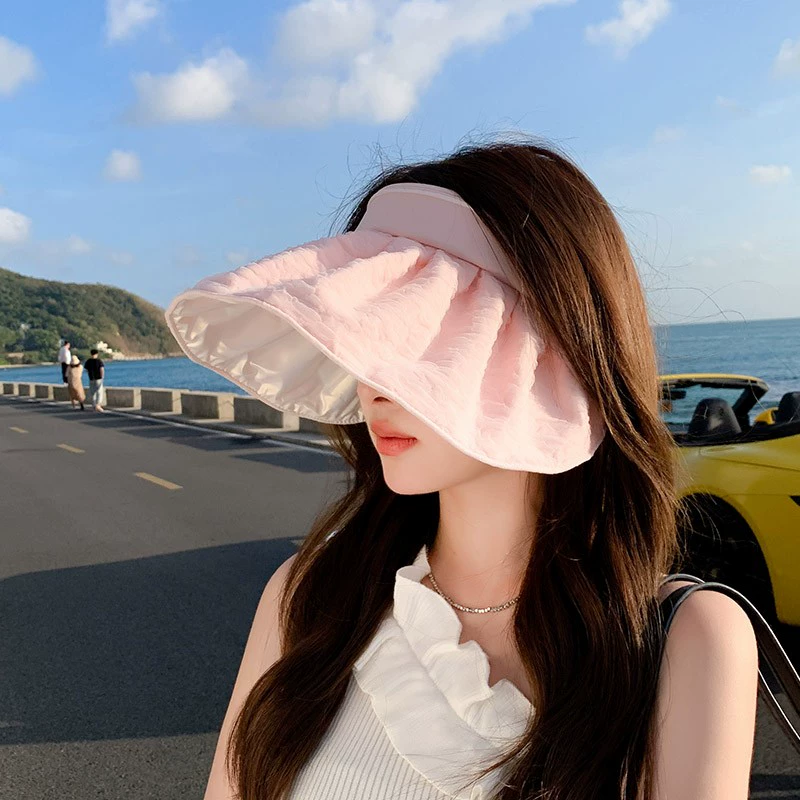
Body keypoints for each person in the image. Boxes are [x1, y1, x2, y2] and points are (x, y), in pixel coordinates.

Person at [167, 142, 759, 800]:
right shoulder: (309, 595)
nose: (375, 384)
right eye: (372, 335)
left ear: (554, 352)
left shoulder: (683, 643)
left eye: (427, 335)